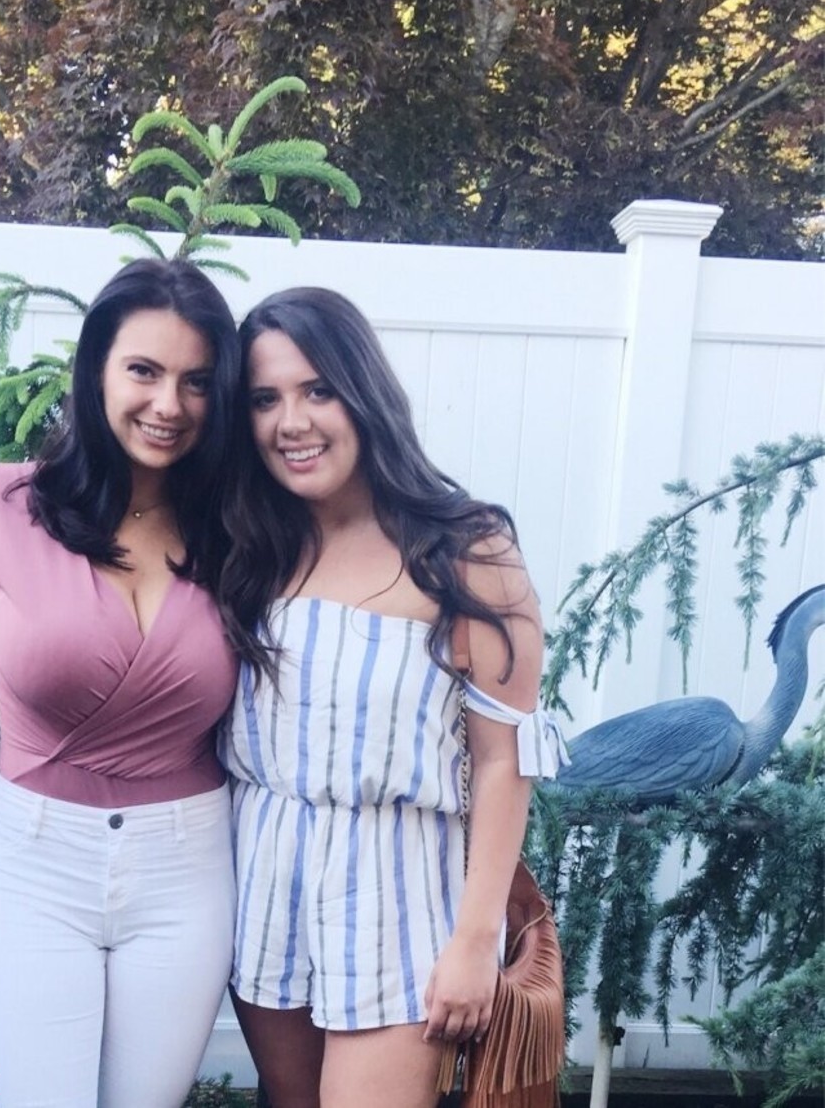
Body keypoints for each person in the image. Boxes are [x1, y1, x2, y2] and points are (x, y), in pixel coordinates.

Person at [217, 288, 568, 1108]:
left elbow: (504, 759)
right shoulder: (248, 542)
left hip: (399, 897)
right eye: (265, 399)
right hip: (265, 883)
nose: (291, 422)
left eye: (317, 389)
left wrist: (475, 938)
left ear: (363, 389)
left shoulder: (466, 548)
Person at [0, 258, 241, 1108]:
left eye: (196, 381)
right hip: (35, 868)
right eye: (144, 370)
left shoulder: (238, 529)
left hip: (186, 872)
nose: (169, 403)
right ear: (97, 367)